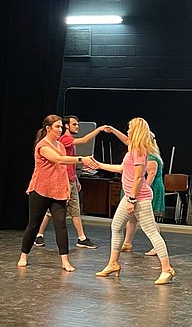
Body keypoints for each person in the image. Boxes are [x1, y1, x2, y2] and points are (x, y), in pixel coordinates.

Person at [94, 118, 175, 285]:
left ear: (136, 130)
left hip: (139, 197)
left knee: (151, 231)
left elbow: (139, 177)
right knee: (116, 226)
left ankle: (167, 269)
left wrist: (131, 199)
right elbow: (122, 169)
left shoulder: (139, 151)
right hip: (131, 196)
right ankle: (113, 263)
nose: (128, 131)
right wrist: (99, 165)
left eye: (130, 128)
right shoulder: (133, 149)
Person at [17, 115, 96, 272]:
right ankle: (24, 255)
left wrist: (67, 188)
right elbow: (59, 160)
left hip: (58, 191)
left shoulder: (60, 145)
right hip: (40, 189)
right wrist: (82, 159)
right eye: (57, 127)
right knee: (34, 224)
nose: (60, 130)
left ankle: (65, 260)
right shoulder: (43, 146)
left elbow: (63, 170)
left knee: (60, 225)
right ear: (48, 129)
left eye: (61, 127)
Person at [33, 115, 107, 250]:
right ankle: (80, 238)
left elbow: (68, 162)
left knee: (65, 210)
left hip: (69, 178)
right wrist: (99, 129)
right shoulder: (64, 139)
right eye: (74, 124)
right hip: (62, 179)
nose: (77, 127)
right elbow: (81, 143)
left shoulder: (61, 142)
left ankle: (41, 234)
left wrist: (75, 178)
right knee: (68, 210)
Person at [107, 126, 166, 256]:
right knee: (129, 220)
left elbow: (148, 177)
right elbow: (128, 141)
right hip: (135, 189)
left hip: (144, 189)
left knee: (148, 224)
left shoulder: (149, 156)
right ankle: (127, 243)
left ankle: (161, 256)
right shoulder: (138, 150)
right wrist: (114, 131)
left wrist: (137, 194)